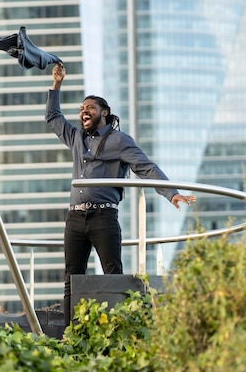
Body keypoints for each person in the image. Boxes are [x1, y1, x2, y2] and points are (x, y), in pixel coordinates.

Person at [46, 63, 196, 326]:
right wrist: (56, 85)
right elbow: (53, 118)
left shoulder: (119, 140)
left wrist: (171, 194)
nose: (84, 111)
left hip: (103, 217)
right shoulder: (76, 138)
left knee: (113, 275)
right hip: (75, 219)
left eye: (90, 107)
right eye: (82, 108)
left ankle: (119, 328)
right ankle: (71, 332)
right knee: (72, 278)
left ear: (104, 112)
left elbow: (145, 167)